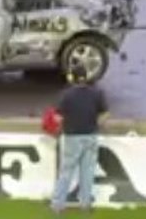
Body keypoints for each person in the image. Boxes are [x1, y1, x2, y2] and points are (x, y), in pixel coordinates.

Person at [50, 65, 108, 215]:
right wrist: (97, 124)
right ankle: (85, 205)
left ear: (72, 78)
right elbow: (105, 113)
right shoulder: (97, 93)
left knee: (66, 172)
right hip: (90, 135)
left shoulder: (66, 95)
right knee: (87, 172)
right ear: (86, 77)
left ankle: (58, 205)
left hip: (71, 137)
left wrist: (62, 125)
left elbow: (57, 117)